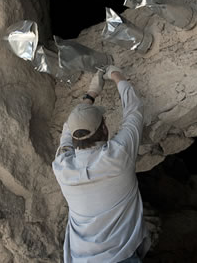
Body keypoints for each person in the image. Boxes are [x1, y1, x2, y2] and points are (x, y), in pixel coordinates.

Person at [52, 65, 151, 263]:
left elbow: (68, 128)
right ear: (105, 129)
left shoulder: (62, 168)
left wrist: (90, 94)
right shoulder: (118, 155)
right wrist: (115, 75)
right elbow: (134, 110)